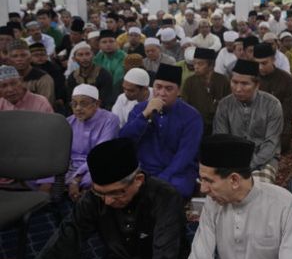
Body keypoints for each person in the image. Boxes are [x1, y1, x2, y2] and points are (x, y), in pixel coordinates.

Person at [2, 138, 188, 259]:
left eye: (116, 193)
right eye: (101, 193)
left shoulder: (165, 198)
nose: (107, 201)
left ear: (138, 180)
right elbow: (58, 250)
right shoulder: (93, 199)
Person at [175, 135, 292, 259]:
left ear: (234, 180)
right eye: (201, 179)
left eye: (209, 181)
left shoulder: (284, 204)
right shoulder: (213, 204)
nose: (203, 189)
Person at [119, 64, 204, 199]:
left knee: (172, 192)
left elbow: (186, 153)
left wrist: (162, 179)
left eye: (169, 89)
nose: (162, 93)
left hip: (177, 173)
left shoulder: (191, 116)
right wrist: (145, 115)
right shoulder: (139, 109)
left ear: (179, 91)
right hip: (143, 170)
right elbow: (124, 141)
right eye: (158, 87)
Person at [38, 84, 120, 201]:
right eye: (74, 103)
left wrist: (76, 179)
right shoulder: (69, 122)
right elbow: (58, 153)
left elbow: (100, 153)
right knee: (43, 179)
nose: (78, 108)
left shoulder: (110, 120)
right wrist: (48, 180)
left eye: (83, 103)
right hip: (70, 165)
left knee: (94, 180)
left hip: (98, 164)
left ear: (97, 104)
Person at [214, 59, 284, 182]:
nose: (238, 89)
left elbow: (271, 143)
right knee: (217, 185)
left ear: (257, 85)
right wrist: (232, 164)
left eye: (244, 84)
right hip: (231, 160)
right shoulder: (224, 105)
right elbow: (221, 139)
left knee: (257, 186)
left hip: (264, 160)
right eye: (234, 82)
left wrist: (248, 165)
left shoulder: (272, 105)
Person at [254, 42, 292, 155]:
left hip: (278, 124)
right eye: (257, 63)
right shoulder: (251, 77)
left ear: (273, 59)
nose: (260, 67)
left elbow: (286, 113)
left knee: (282, 144)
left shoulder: (286, 80)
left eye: (264, 63)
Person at [180, 47, 230, 135]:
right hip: (196, 125)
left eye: (200, 64)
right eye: (195, 63)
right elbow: (185, 105)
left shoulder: (223, 80)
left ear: (211, 65)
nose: (196, 67)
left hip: (219, 126)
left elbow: (229, 104)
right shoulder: (189, 81)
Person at [67, 41, 115, 110]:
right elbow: (71, 101)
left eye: (87, 54)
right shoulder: (72, 77)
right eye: (80, 55)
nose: (84, 58)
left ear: (93, 56)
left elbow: (107, 101)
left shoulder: (104, 75)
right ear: (74, 59)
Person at [7, 40, 55, 105]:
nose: (19, 59)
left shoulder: (43, 78)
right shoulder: (5, 80)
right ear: (9, 59)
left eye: (23, 55)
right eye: (15, 56)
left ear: (30, 57)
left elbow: (46, 105)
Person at [93, 29, 127, 95]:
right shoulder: (97, 58)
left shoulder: (124, 57)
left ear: (116, 43)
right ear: (99, 45)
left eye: (111, 41)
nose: (108, 44)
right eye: (104, 42)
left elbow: (118, 80)